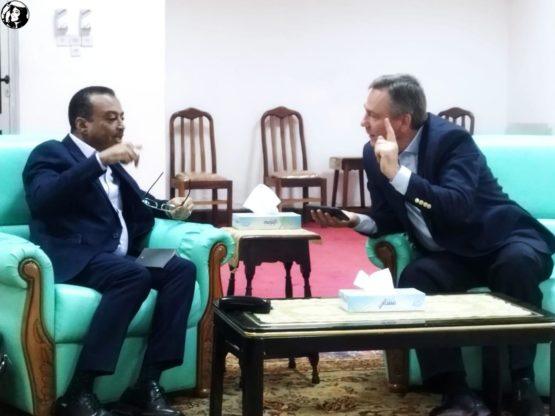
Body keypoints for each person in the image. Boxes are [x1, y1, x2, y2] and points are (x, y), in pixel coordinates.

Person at [311, 74, 555, 416]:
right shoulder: (372, 153)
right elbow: (389, 217)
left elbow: (456, 204)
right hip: (454, 253)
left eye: (372, 115)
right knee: (417, 278)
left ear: (402, 121)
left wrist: (398, 175)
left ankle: (521, 384)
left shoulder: (452, 141)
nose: (363, 121)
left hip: (500, 238)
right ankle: (456, 394)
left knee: (515, 264)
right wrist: (355, 220)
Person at [23, 86, 196, 416]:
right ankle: (79, 391)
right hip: (79, 257)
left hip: (122, 257)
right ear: (82, 124)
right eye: (111, 118)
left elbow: (141, 201)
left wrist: (170, 207)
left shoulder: (112, 165)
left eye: (122, 117)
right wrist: (99, 161)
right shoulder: (51, 153)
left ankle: (147, 383)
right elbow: (43, 198)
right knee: (132, 275)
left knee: (180, 267)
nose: (121, 125)